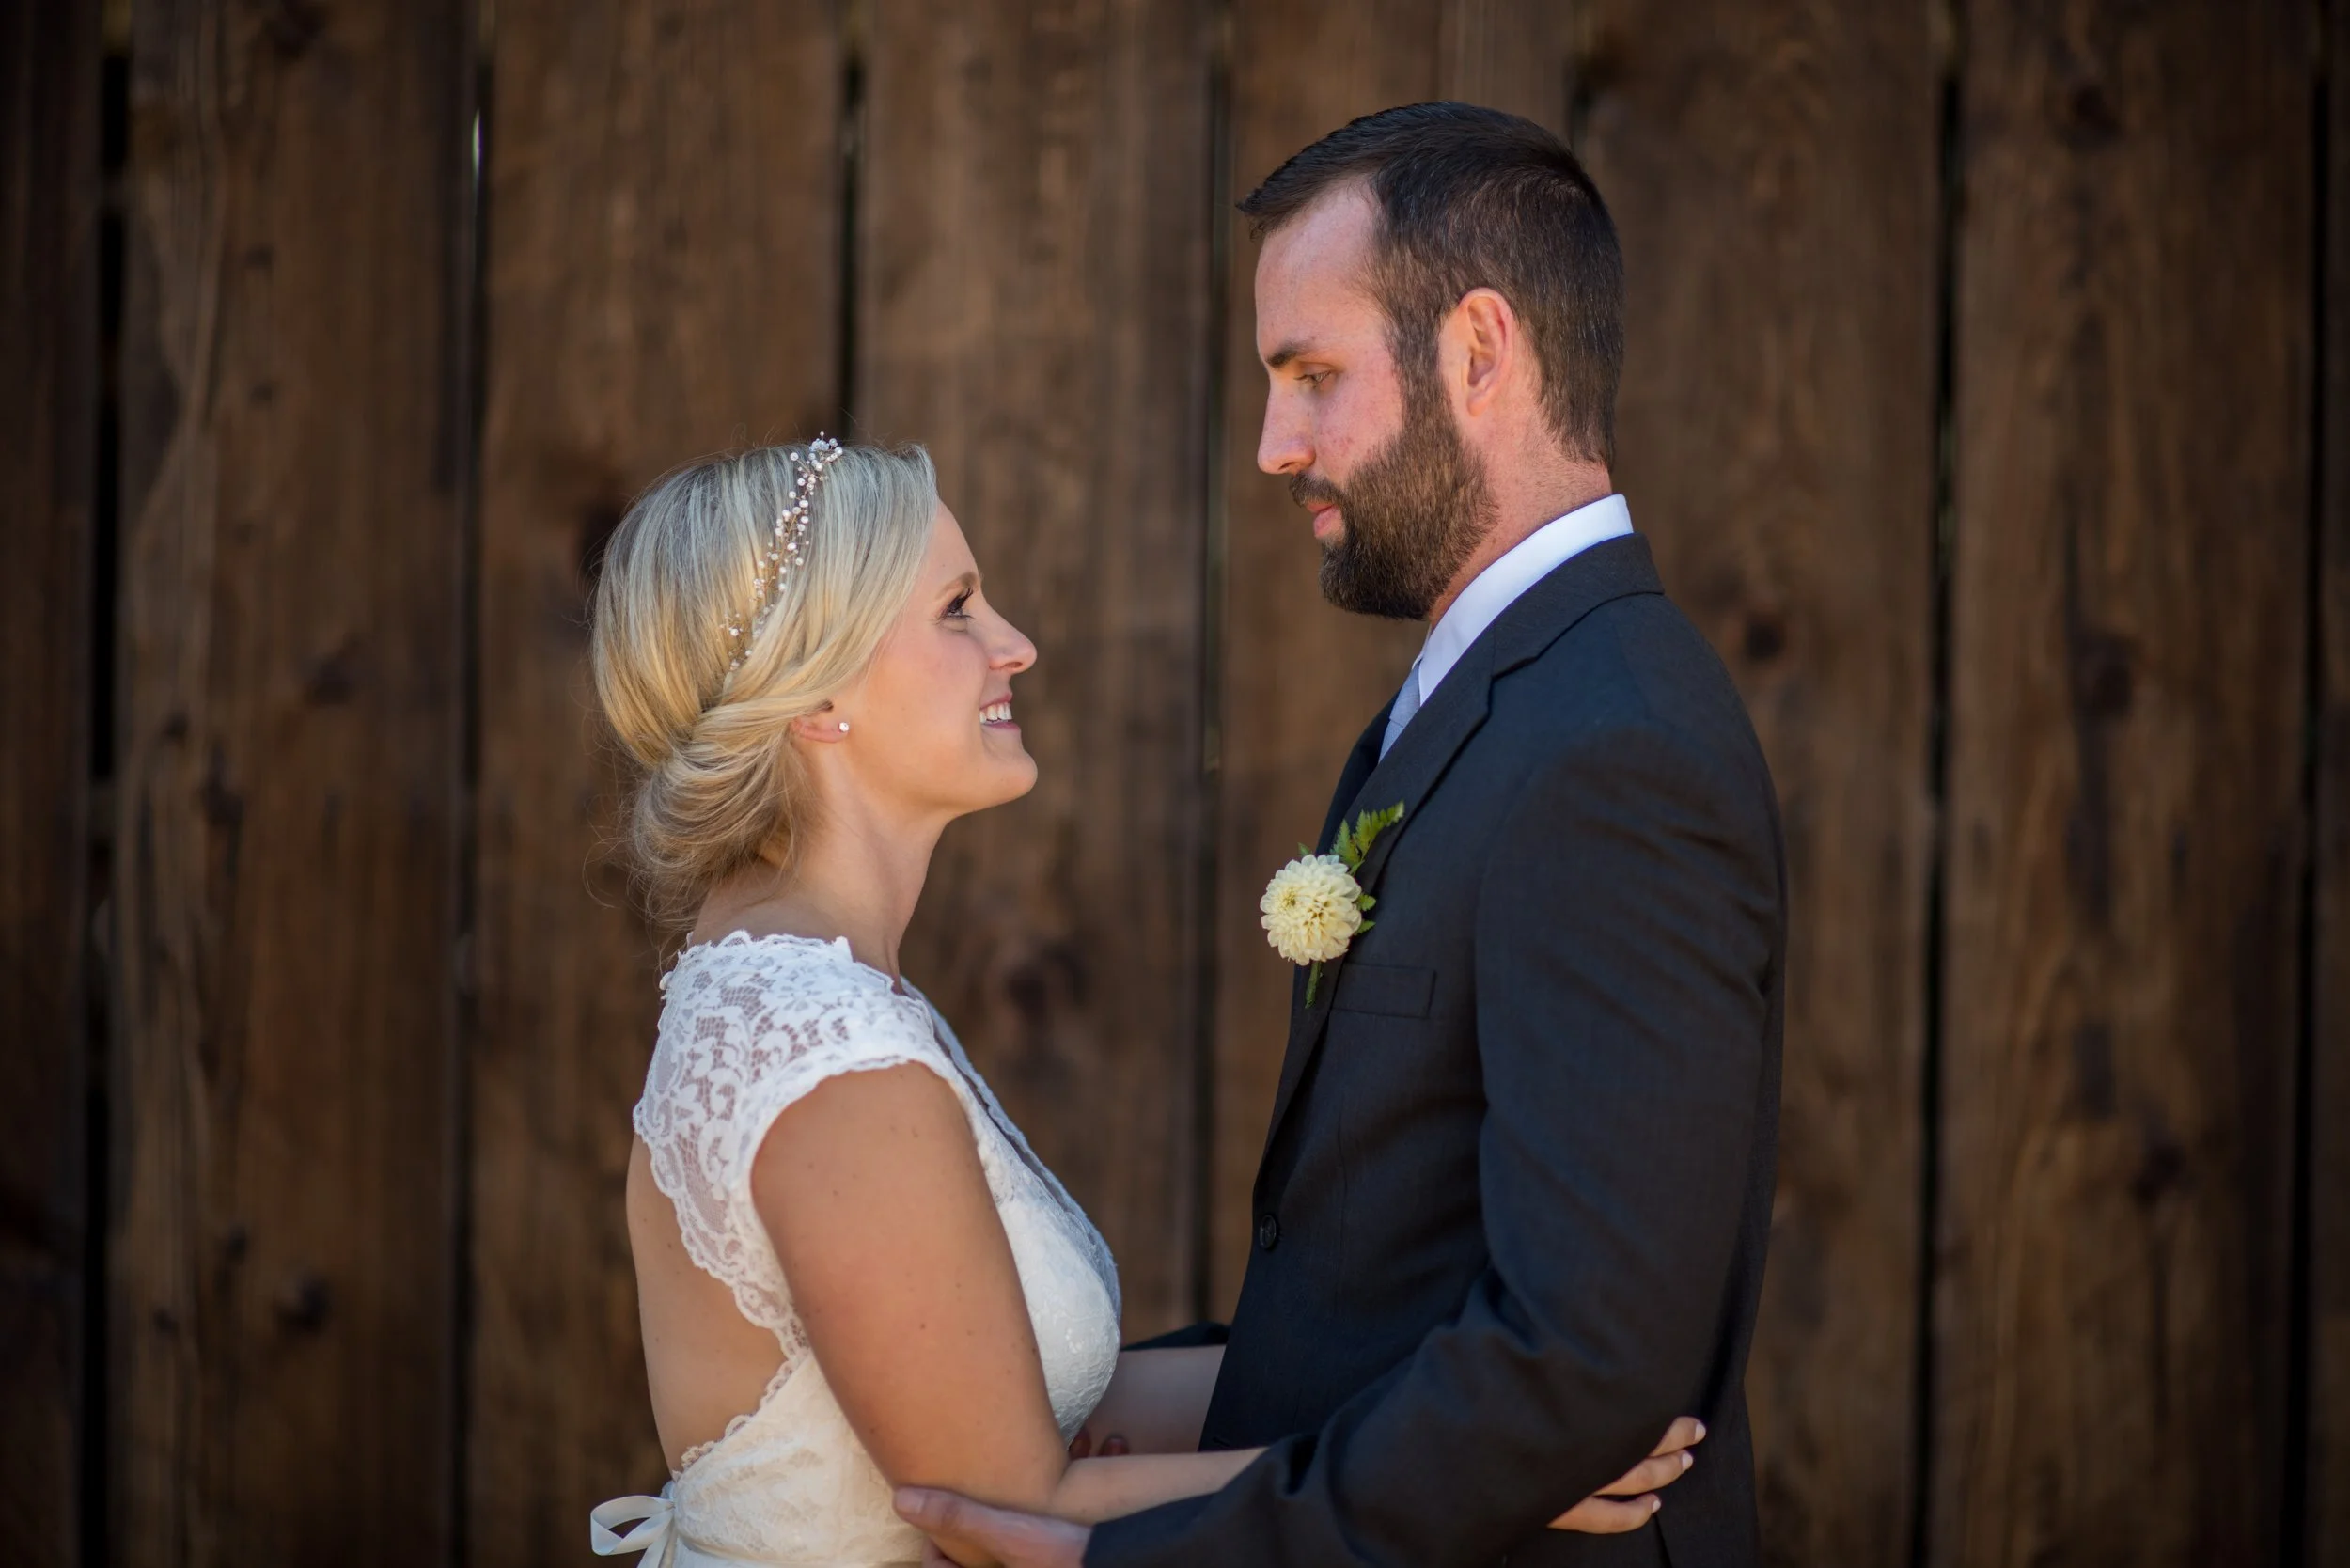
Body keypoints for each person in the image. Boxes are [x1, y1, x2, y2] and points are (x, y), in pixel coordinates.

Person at [894, 102, 1786, 1568]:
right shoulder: (1494, 703)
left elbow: (1586, 1359)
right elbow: (1395, 1282)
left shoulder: (1613, 748)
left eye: (1314, 376)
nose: (1271, 445)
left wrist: (1130, 1552)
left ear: (1480, 352)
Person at [583, 437, 1702, 1566]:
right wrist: (1465, 1472)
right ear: (820, 690)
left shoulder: (805, 994)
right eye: (958, 610)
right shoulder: (822, 1057)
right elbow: (1002, 1510)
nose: (1014, 644)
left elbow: (1056, 1409)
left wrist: (1484, 1395)